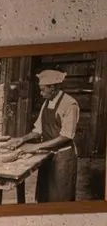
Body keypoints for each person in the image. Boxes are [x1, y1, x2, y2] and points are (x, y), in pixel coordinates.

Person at [14, 68, 79, 203]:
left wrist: (36, 147)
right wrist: (22, 139)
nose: (41, 93)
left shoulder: (70, 104)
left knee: (60, 197)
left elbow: (66, 136)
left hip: (63, 157)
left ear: (54, 88)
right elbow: (38, 129)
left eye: (43, 90)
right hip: (48, 154)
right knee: (45, 195)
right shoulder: (47, 102)